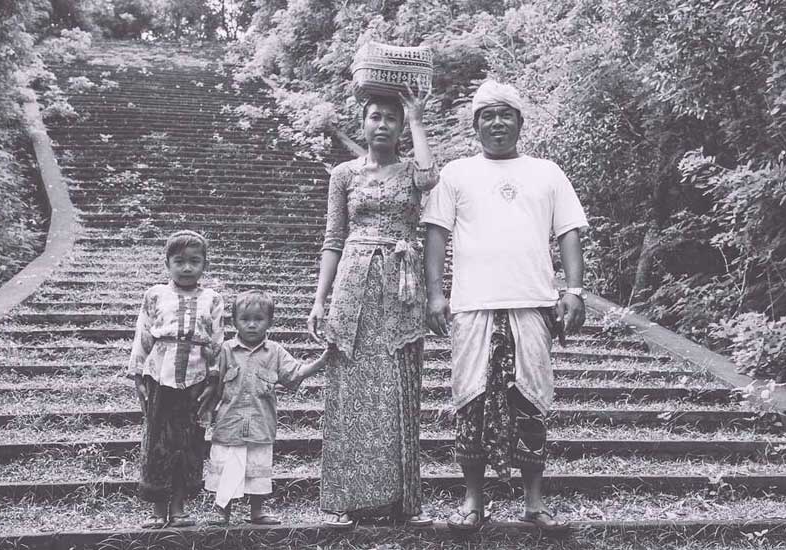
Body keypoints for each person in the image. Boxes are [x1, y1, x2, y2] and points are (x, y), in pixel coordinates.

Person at [422, 80, 589, 532]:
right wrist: (436, 292)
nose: (497, 123)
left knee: (530, 402)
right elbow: (436, 233)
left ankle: (534, 503)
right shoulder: (455, 174)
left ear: (520, 121)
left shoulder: (548, 172)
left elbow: (568, 231)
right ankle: (472, 502)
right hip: (473, 305)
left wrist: (573, 290)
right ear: (475, 124)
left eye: (506, 115)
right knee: (470, 401)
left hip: (533, 303)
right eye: (487, 116)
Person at [306, 86, 436, 528]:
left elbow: (428, 180)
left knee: (400, 386)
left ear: (400, 127)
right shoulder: (343, 174)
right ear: (362, 122)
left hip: (400, 287)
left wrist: (418, 118)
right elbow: (332, 238)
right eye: (375, 117)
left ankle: (402, 503)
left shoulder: (412, 171)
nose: (382, 125)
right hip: (352, 286)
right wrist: (320, 298)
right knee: (350, 389)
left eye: (391, 119)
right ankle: (349, 499)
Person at [127, 230, 224, 529]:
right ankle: (158, 511)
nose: (186, 268)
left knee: (188, 443)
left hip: (195, 380)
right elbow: (143, 334)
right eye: (179, 261)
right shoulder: (155, 295)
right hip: (160, 376)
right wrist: (138, 374)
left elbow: (217, 341)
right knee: (158, 442)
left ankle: (179, 508)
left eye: (194, 261)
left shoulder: (212, 299)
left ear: (204, 264)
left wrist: (213, 379)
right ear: (167, 263)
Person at [205, 290, 329, 524]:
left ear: (269, 322)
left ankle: (257, 511)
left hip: (260, 424)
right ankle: (222, 511)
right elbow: (212, 385)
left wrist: (321, 361)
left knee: (257, 468)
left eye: (259, 319)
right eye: (245, 319)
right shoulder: (225, 351)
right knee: (227, 468)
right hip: (229, 422)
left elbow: (295, 374)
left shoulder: (275, 352)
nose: (252, 325)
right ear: (234, 322)